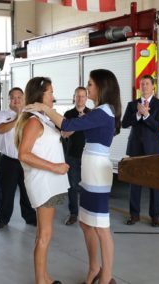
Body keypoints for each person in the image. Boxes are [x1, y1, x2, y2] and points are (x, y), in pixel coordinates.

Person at [24, 70, 121, 284]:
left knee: (101, 227)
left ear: (102, 87)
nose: (87, 89)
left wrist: (44, 108)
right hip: (89, 170)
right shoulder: (97, 112)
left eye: (91, 85)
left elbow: (67, 125)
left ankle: (106, 277)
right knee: (86, 223)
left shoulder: (104, 111)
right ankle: (94, 268)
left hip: (97, 171)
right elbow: (68, 129)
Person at [15, 77, 70, 284]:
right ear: (40, 95)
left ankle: (44, 277)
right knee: (44, 235)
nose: (53, 97)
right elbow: (24, 154)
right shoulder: (33, 121)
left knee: (44, 233)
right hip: (43, 182)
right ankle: (41, 281)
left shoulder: (43, 118)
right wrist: (55, 167)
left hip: (49, 182)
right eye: (50, 93)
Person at [122, 75, 159, 227]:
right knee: (135, 183)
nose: (144, 86)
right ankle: (134, 215)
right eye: (142, 84)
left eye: (147, 84)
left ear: (153, 86)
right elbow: (124, 123)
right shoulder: (132, 104)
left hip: (153, 150)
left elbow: (157, 127)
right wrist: (137, 114)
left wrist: (146, 114)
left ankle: (155, 216)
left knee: (155, 184)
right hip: (135, 149)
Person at [0, 87, 37, 230]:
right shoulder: (2, 115)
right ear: (9, 99)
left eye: (19, 97)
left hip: (26, 160)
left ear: (24, 98)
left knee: (27, 191)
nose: (16, 100)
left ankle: (30, 217)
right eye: (13, 97)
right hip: (8, 161)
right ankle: (2, 219)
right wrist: (17, 118)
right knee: (6, 192)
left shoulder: (31, 115)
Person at [61, 87, 90, 226]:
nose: (80, 99)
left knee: (87, 185)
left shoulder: (92, 113)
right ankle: (73, 214)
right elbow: (64, 134)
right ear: (74, 97)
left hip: (88, 156)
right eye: (78, 96)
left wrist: (84, 121)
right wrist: (78, 124)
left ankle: (87, 213)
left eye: (83, 96)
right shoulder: (68, 114)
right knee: (72, 186)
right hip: (72, 154)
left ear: (87, 97)